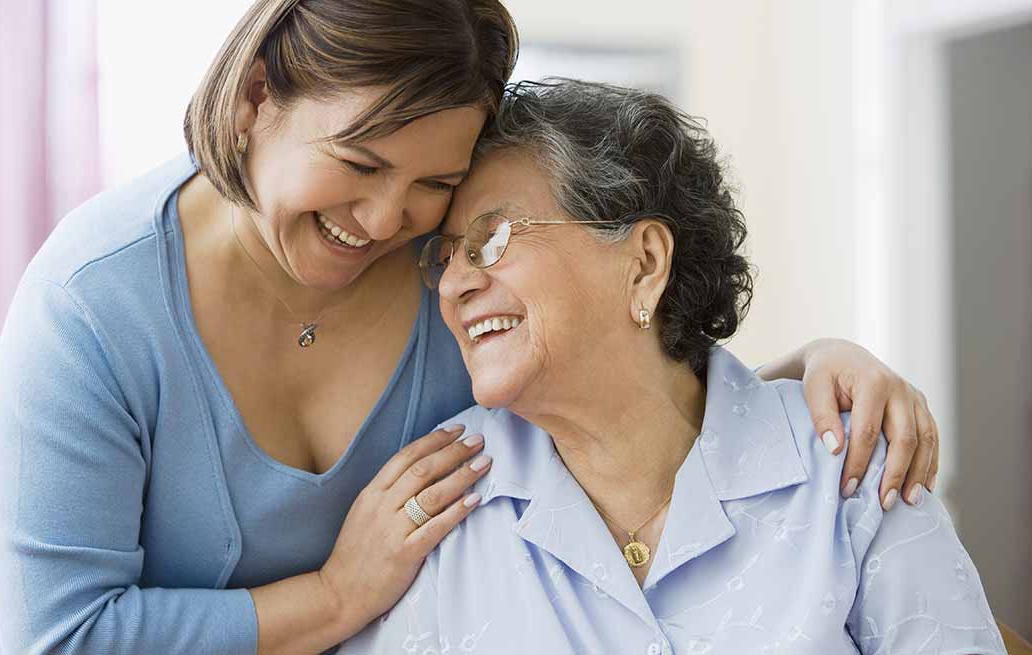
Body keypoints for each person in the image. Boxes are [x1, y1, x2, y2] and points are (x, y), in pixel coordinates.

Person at [0, 2, 942, 654]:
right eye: (359, 163)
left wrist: (815, 365)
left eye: (435, 186)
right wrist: (338, 597)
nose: (390, 221)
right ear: (258, 98)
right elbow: (53, 636)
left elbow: (621, 392)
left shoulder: (448, 284)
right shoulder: (93, 307)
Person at [341, 79, 1002, 654]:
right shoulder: (437, 504)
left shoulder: (847, 469)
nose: (452, 285)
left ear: (645, 263)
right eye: (446, 257)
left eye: (489, 240)